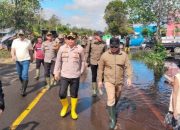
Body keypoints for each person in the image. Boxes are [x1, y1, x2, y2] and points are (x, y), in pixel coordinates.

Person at [97, 37, 132, 129]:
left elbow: (128, 67)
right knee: (111, 98)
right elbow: (100, 69)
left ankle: (111, 108)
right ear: (109, 46)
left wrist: (129, 78)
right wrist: (100, 81)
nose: (113, 49)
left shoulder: (124, 55)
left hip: (119, 82)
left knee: (117, 97)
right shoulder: (104, 55)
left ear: (119, 46)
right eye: (112, 47)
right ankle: (112, 120)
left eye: (115, 47)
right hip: (108, 81)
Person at [54, 32, 85, 120]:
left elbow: (83, 61)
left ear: (76, 39)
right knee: (61, 93)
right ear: (66, 39)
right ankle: (65, 106)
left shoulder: (80, 48)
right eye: (69, 38)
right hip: (64, 75)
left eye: (73, 39)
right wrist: (56, 72)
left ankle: (73, 111)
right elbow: (58, 61)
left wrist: (81, 71)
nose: (71, 40)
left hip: (75, 75)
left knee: (74, 94)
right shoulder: (62, 48)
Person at [11, 30, 33, 96]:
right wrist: (13, 56)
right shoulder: (15, 41)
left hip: (26, 60)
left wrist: (32, 57)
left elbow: (31, 50)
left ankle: (23, 91)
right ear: (18, 35)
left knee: (24, 75)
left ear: (24, 35)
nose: (20, 36)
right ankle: (23, 84)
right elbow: (12, 50)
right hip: (18, 61)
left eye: (22, 35)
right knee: (20, 75)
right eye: (19, 35)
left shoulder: (28, 41)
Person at [86, 31, 106, 97]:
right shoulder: (91, 42)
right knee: (94, 76)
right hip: (93, 61)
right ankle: (94, 90)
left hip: (101, 61)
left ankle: (100, 88)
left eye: (102, 36)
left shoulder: (104, 43)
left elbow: (105, 53)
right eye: (100, 36)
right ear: (96, 36)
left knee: (102, 75)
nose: (101, 37)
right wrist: (86, 61)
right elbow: (87, 52)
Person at [164, 62, 180, 130]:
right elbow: (174, 95)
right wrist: (175, 111)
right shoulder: (178, 77)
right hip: (176, 108)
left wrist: (170, 82)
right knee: (170, 125)